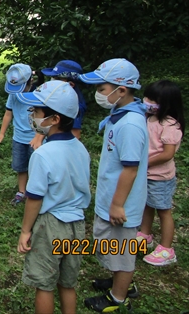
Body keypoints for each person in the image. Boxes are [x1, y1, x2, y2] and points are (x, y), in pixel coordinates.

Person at [79, 59, 148, 312]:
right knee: (115, 247)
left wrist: (118, 204)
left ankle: (119, 297)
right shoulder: (120, 116)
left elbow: (131, 169)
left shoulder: (130, 125)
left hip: (122, 204)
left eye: (102, 88)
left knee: (123, 250)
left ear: (121, 90)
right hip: (113, 197)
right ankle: (120, 279)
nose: (98, 93)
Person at [16, 81, 91, 314]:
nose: (33, 116)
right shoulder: (81, 148)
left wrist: (26, 230)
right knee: (68, 283)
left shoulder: (42, 155)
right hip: (77, 225)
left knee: (44, 285)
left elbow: (35, 198)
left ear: (55, 119)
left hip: (51, 225)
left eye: (37, 112)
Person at [137, 80, 185, 266]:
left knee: (163, 210)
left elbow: (167, 153)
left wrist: (144, 163)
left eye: (153, 99)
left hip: (160, 177)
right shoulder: (149, 118)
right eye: (147, 96)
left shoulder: (170, 124)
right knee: (147, 205)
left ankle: (166, 249)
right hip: (147, 174)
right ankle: (144, 234)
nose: (147, 101)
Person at [0, 63, 37, 205]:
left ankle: (35, 192)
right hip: (18, 138)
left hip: (35, 139)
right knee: (20, 166)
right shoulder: (13, 95)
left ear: (30, 81)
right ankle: (21, 192)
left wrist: (39, 136)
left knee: (36, 167)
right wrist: (2, 133)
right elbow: (8, 113)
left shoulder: (38, 95)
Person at [41, 60, 87, 139]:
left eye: (57, 78)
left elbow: (75, 135)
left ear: (71, 84)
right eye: (53, 77)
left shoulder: (73, 106)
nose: (52, 81)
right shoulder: (62, 98)